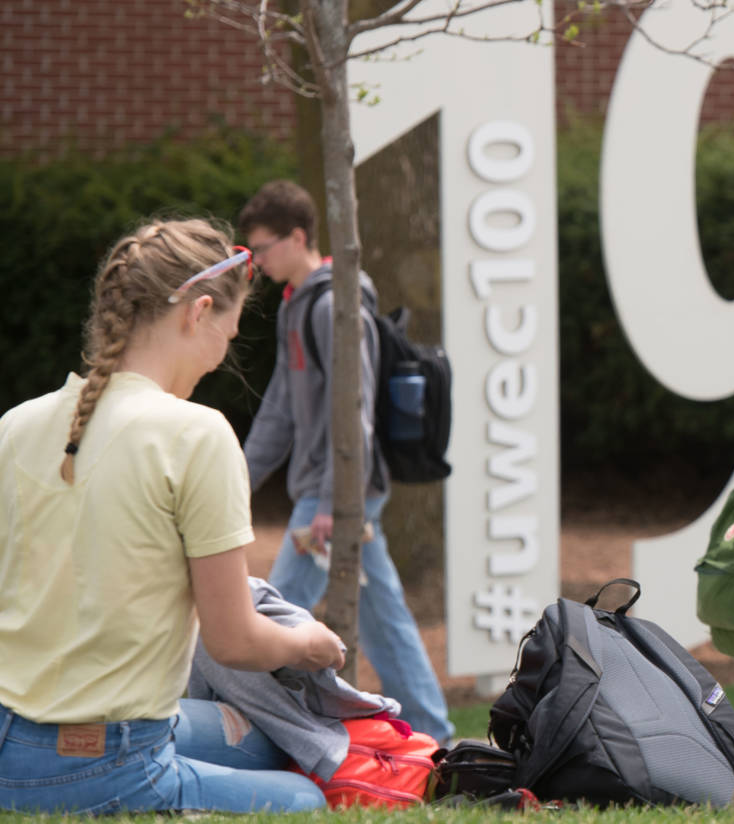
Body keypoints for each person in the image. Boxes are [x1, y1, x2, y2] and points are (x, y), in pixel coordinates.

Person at [0, 218, 345, 813]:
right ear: (197, 311)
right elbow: (233, 641)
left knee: (264, 736)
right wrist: (307, 643)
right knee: (305, 798)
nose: (220, 359)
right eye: (227, 336)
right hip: (112, 762)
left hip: (8, 741)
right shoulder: (197, 435)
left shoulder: (15, 425)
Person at [236, 180, 454, 744]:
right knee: (384, 618)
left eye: (262, 248)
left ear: (298, 236)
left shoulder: (336, 307)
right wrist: (233, 477)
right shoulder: (298, 307)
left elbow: (352, 412)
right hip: (333, 492)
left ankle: (258, 731)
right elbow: (281, 408)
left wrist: (337, 502)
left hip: (333, 497)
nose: (256, 261)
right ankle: (433, 735)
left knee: (273, 612)